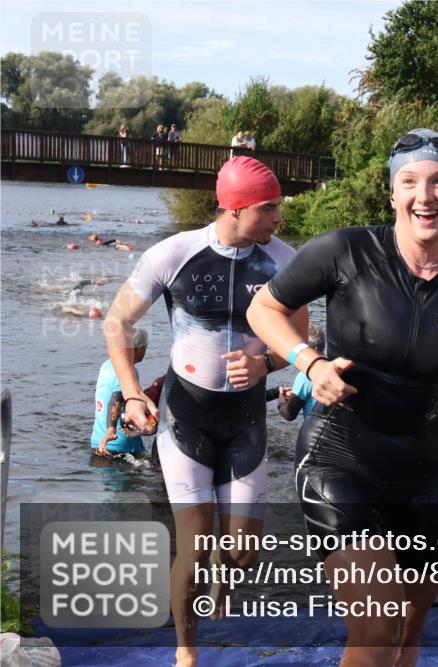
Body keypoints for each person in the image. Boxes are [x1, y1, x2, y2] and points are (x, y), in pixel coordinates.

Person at [247, 128, 438, 667]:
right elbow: (263, 309)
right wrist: (310, 361)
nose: (426, 196)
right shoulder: (344, 251)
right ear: (392, 194)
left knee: (406, 639)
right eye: (411, 182)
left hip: (433, 469)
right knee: (375, 628)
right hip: (340, 453)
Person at [102, 156, 306, 667]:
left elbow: (300, 342)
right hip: (185, 415)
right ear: (236, 207)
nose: (279, 216)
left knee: (241, 554)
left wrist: (267, 366)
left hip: (244, 421)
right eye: (270, 207)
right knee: (192, 547)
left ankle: (225, 572)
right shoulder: (174, 254)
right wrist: (131, 392)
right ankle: (186, 652)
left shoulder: (287, 262)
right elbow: (117, 321)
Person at [91, 327, 158, 456]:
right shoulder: (128, 372)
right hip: (120, 443)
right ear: (138, 348)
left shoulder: (107, 365)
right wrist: (111, 431)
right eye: (145, 347)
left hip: (98, 440)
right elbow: (116, 397)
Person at [275, 325, 325, 422]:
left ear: (306, 350)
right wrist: (296, 392)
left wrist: (281, 401)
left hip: (316, 432)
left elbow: (289, 415)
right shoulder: (330, 367)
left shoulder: (306, 375)